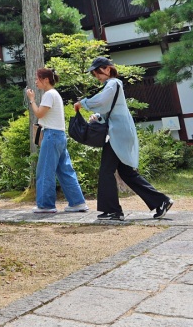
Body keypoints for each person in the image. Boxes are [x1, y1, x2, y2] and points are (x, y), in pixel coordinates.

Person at [74, 57, 173, 221]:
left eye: (97, 72)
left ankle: (113, 210)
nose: (96, 76)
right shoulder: (112, 85)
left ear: (107, 69)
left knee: (106, 170)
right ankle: (161, 201)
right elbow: (109, 109)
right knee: (126, 173)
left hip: (118, 134)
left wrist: (82, 103)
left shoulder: (112, 83)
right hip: (120, 132)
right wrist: (98, 116)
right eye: (94, 74)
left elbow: (101, 101)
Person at [26, 68, 88, 214]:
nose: (36, 82)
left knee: (45, 170)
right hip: (59, 135)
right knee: (65, 170)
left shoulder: (49, 94)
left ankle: (46, 205)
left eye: (38, 79)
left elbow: (39, 113)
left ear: (46, 79)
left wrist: (32, 100)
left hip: (51, 136)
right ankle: (77, 203)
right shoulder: (55, 95)